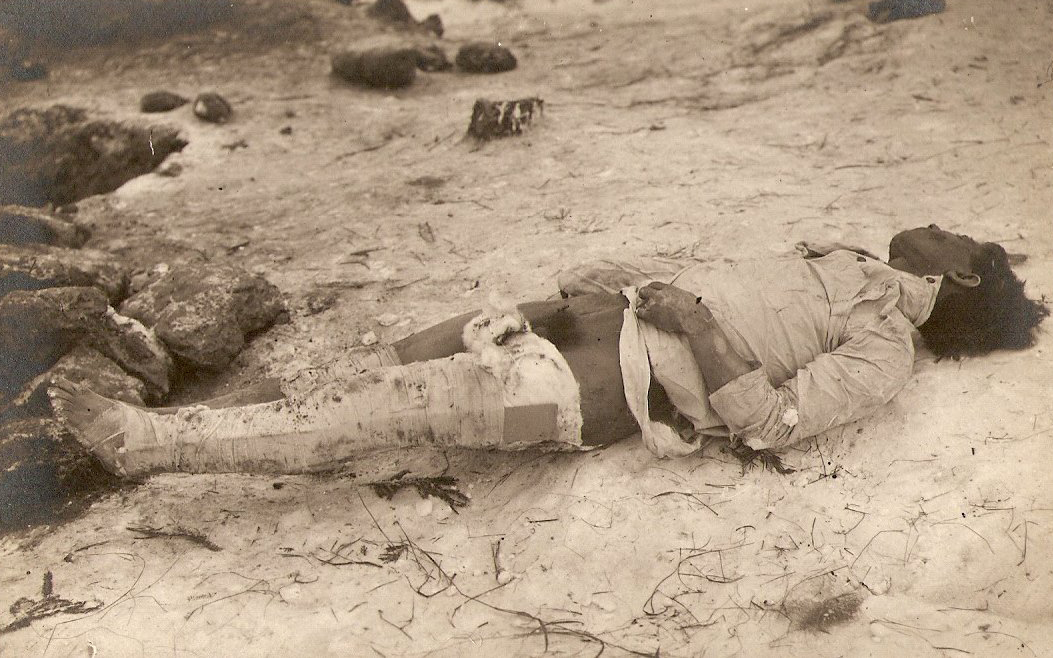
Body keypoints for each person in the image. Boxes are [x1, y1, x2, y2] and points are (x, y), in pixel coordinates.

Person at [49, 225, 1047, 478]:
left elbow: (770, 423)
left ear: (959, 281)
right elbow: (711, 284)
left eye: (955, 239)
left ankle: (144, 445)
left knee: (363, 416)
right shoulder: (836, 254)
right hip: (572, 321)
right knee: (367, 370)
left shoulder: (884, 349)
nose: (934, 228)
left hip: (594, 390)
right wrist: (615, 279)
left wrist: (697, 324)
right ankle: (188, 421)